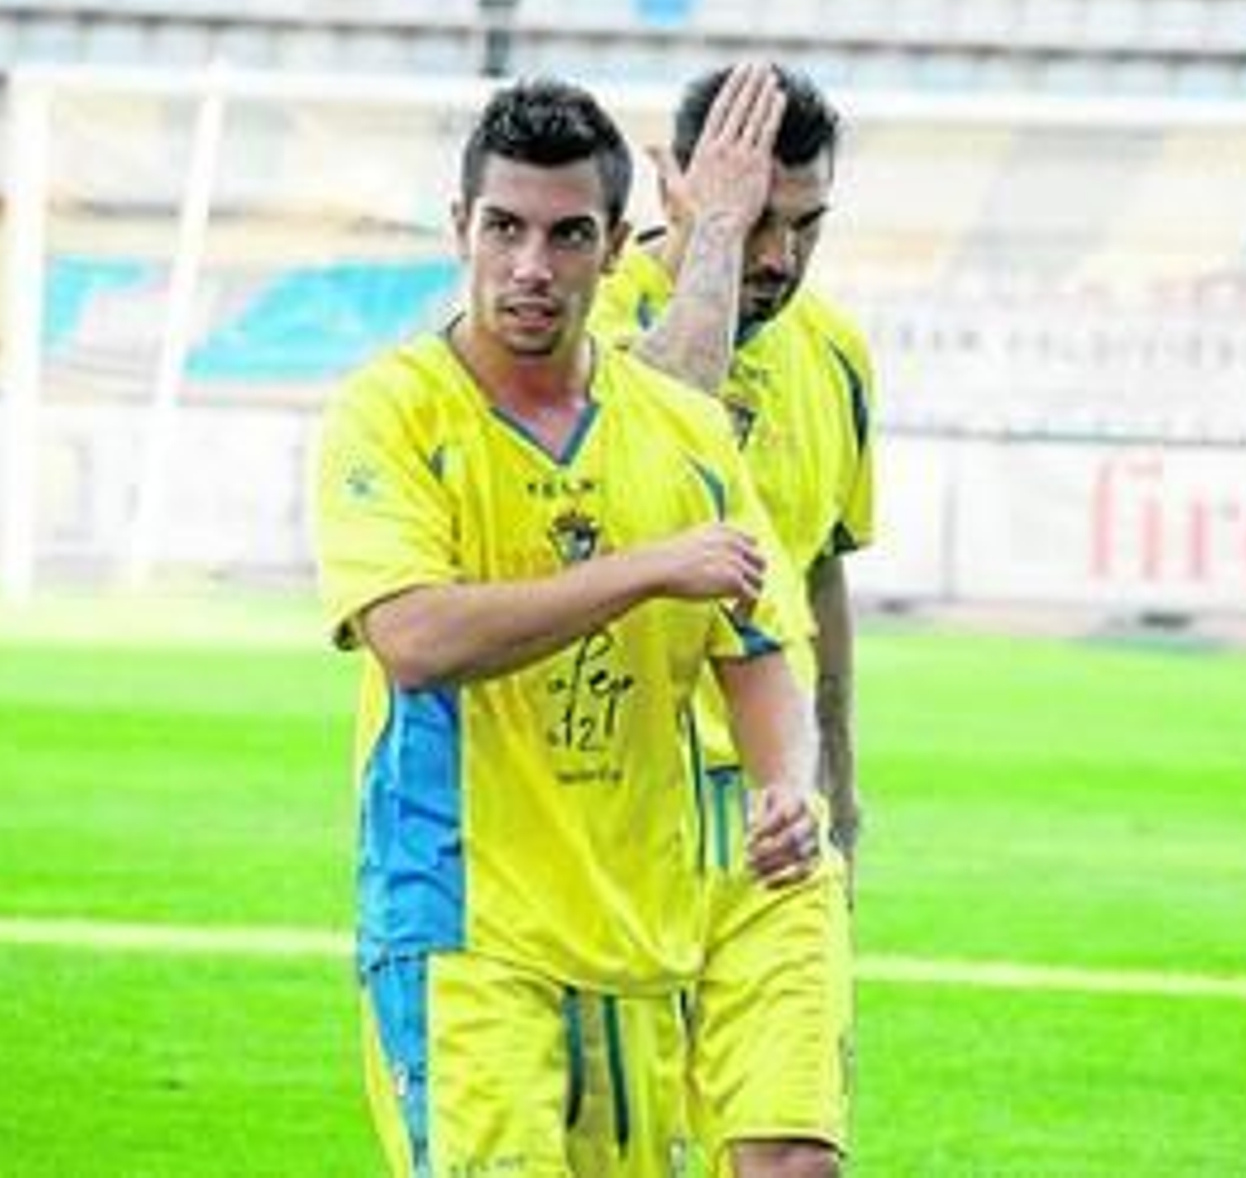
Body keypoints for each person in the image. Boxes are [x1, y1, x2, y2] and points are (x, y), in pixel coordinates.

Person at [311, 77, 828, 1177]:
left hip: (631, 937)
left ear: (611, 247)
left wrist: (789, 783)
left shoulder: (682, 431)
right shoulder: (391, 412)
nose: (530, 266)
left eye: (565, 235)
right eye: (503, 228)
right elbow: (413, 637)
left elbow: (761, 647)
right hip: (458, 925)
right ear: (461, 230)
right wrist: (642, 573)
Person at [590, 62, 873, 1178]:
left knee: (793, 1161)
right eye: (753, 221)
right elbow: (647, 452)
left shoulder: (839, 356)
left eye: (805, 227)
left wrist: (839, 786)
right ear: (678, 190)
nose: (778, 259)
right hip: (608, 828)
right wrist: (709, 246)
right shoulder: (587, 323)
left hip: (775, 822)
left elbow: (819, 572)